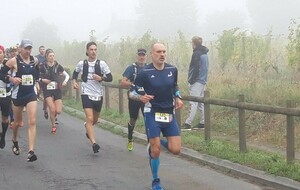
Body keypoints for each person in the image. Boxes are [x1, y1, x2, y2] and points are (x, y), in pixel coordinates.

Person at [129, 43, 184, 190]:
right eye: (159, 52)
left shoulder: (172, 69)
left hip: (168, 113)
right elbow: (131, 92)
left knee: (176, 150)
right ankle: (156, 181)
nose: (162, 54)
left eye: (164, 51)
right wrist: (140, 98)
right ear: (152, 54)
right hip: (152, 112)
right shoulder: (144, 72)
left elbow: (175, 86)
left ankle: (156, 141)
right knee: (155, 150)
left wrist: (178, 97)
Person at [0, 39, 40, 162]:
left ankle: (31, 151)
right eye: (26, 48)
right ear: (20, 49)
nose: (28, 51)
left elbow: (37, 72)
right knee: (17, 123)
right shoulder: (13, 61)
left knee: (32, 121)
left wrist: (37, 82)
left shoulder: (35, 60)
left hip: (30, 94)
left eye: (30, 48)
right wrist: (11, 79)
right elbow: (1, 74)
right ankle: (14, 140)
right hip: (18, 95)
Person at [72, 42, 113, 153]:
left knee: (94, 120)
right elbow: (74, 74)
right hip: (86, 93)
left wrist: (101, 78)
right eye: (91, 49)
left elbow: (110, 77)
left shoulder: (102, 64)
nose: (93, 51)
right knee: (89, 118)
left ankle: (87, 127)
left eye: (95, 49)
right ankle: (94, 143)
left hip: (98, 94)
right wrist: (74, 82)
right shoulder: (82, 63)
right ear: (87, 51)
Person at [120, 48, 147, 151]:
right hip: (134, 98)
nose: (141, 57)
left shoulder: (149, 68)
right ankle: (130, 139)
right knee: (133, 119)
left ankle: (151, 142)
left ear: (146, 56)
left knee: (148, 119)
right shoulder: (131, 68)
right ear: (137, 56)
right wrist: (133, 85)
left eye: (143, 55)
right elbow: (122, 82)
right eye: (140, 55)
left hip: (146, 98)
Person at [40, 49, 69, 134]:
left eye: (53, 56)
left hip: (57, 88)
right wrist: (43, 80)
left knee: (58, 111)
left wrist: (65, 81)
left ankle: (53, 115)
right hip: (47, 89)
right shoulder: (43, 66)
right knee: (52, 109)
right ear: (47, 57)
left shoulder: (58, 66)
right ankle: (53, 125)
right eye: (50, 56)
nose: (52, 57)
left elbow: (66, 75)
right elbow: (37, 77)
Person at [183, 36, 209, 130]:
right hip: (203, 81)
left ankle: (188, 123)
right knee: (201, 102)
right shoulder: (205, 53)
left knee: (193, 102)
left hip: (196, 81)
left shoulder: (196, 54)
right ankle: (203, 122)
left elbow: (195, 68)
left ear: (193, 43)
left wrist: (191, 80)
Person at [0, 45, 11, 149]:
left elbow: (12, 77)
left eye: (0, 53)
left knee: (5, 118)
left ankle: (3, 135)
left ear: (3, 54)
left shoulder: (8, 65)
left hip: (5, 94)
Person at [35, 45, 48, 119]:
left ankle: (45, 107)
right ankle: (37, 95)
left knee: (47, 93)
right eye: (41, 49)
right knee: (39, 89)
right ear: (39, 50)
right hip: (39, 76)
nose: (42, 50)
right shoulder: (37, 57)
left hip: (46, 76)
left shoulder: (47, 57)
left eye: (43, 49)